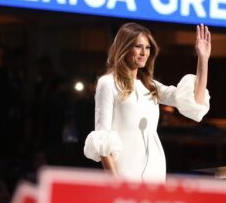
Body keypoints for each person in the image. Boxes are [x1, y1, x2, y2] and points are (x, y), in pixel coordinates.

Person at [84, 23, 211, 183]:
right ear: (124, 48)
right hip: (125, 173)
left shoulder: (151, 86)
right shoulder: (108, 83)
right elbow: (102, 141)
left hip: (154, 171)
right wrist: (116, 184)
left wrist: (203, 59)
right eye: (138, 46)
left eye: (148, 47)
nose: (144, 52)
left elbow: (195, 103)